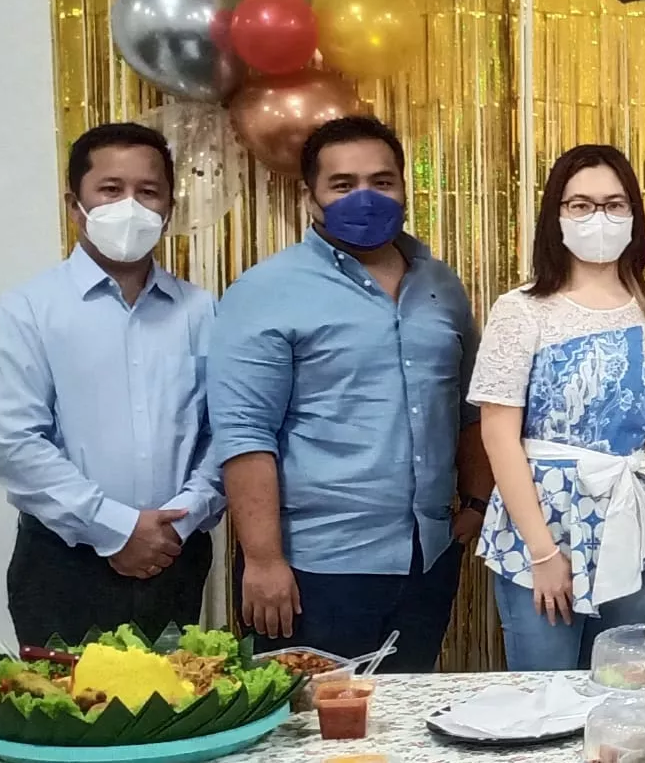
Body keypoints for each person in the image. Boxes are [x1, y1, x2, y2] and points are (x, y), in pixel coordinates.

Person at [209, 115, 492, 672]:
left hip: (427, 559)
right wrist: (263, 560)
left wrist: (478, 503)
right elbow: (244, 433)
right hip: (317, 566)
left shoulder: (440, 284)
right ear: (309, 196)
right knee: (313, 721)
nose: (365, 198)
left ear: (404, 188)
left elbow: (469, 406)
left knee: (403, 715)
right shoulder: (265, 290)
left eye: (382, 182)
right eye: (343, 185)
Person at [0, 122, 222, 645]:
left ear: (169, 209)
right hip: (63, 562)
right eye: (111, 189)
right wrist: (115, 528)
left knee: (179, 694)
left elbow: (225, 432)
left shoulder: (201, 311)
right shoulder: (29, 310)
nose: (130, 206)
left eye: (148, 191)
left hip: (174, 556)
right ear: (76, 205)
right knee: (64, 698)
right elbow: (17, 444)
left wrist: (181, 520)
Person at [469, 144, 645, 671]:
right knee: (548, 689)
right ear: (555, 216)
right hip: (544, 521)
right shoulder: (521, 311)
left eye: (614, 204)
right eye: (580, 205)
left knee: (624, 688)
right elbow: (498, 435)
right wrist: (543, 551)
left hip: (629, 519)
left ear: (634, 215)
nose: (598, 217)